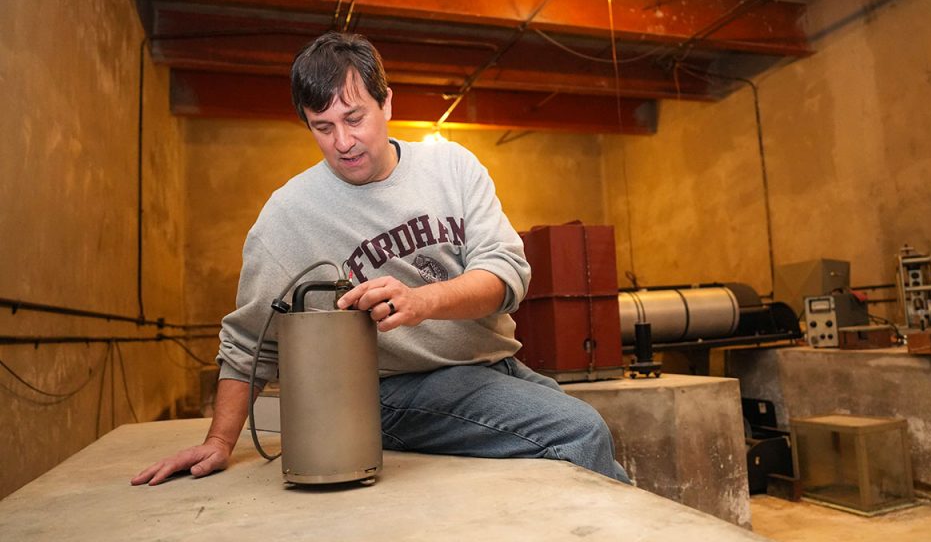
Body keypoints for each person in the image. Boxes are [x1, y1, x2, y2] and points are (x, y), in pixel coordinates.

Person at [131, 32, 629, 486]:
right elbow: (249, 343)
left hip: (494, 365)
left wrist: (422, 301)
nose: (342, 142)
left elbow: (507, 272)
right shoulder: (288, 216)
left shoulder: (451, 167)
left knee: (600, 456)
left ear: (387, 101)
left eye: (354, 118)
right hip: (397, 392)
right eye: (322, 127)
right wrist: (219, 442)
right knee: (578, 431)